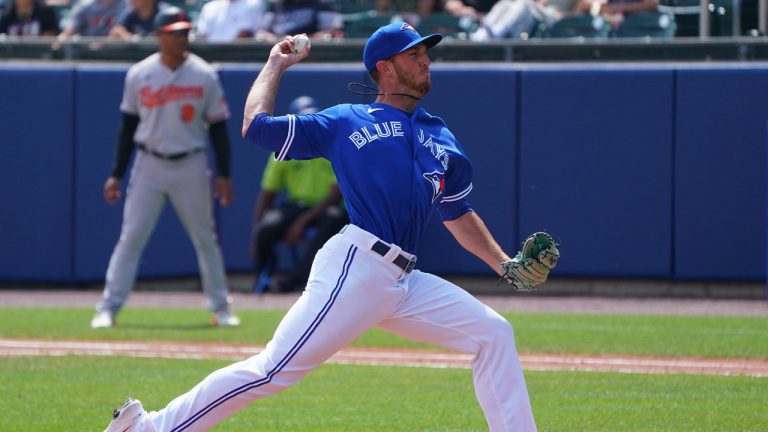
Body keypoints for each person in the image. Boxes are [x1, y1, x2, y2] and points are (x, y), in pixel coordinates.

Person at [101, 22, 553, 432]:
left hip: (405, 279)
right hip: (358, 266)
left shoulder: (440, 136)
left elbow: (457, 211)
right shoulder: (346, 120)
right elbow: (256, 128)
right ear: (385, 67)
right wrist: (275, 64)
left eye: (425, 52)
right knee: (272, 371)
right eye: (415, 54)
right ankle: (146, 428)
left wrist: (504, 263)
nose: (426, 60)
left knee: (494, 334)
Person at [90, 6, 240, 330]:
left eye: (185, 32)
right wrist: (116, 172)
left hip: (191, 161)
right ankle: (109, 308)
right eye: (174, 33)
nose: (181, 38)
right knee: (131, 238)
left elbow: (218, 129)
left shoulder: (204, 74)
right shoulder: (140, 74)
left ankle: (221, 308)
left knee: (205, 238)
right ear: (159, 36)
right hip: (149, 163)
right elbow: (127, 127)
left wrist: (224, 174)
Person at [251, 96, 349, 293]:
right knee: (266, 228)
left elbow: (334, 195)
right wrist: (256, 234)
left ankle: (296, 281)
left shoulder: (331, 149)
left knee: (332, 218)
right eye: (304, 121)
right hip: (296, 206)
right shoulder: (282, 151)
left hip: (326, 208)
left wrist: (301, 223)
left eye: (312, 120)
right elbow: (268, 194)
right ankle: (264, 278)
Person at [468, 0, 578, 40]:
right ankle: (483, 30)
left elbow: (578, 12)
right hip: (539, 13)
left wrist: (562, 15)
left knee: (525, 2)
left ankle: (499, 30)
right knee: (506, 2)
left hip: (554, 17)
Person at [256, 0, 343, 42]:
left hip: (311, 53)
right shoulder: (276, 5)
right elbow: (262, 32)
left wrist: (301, 41)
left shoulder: (321, 4)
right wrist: (276, 39)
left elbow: (331, 31)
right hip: (280, 49)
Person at [194, 0, 265, 42]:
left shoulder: (253, 4)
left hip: (237, 57)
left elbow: (245, 34)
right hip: (210, 56)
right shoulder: (209, 7)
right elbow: (203, 36)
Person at [57, 0, 126, 39]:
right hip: (88, 50)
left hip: (116, 50)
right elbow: (71, 26)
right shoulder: (86, 4)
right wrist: (64, 37)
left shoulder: (126, 4)